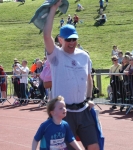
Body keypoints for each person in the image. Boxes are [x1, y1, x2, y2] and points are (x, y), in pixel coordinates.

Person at [43, 0, 99, 149]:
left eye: (74, 39)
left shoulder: (84, 56)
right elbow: (46, 35)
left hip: (83, 111)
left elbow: (89, 79)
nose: (72, 42)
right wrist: (53, 9)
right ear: (61, 39)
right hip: (64, 113)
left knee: (94, 146)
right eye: (68, 39)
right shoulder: (55, 55)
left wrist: (89, 98)